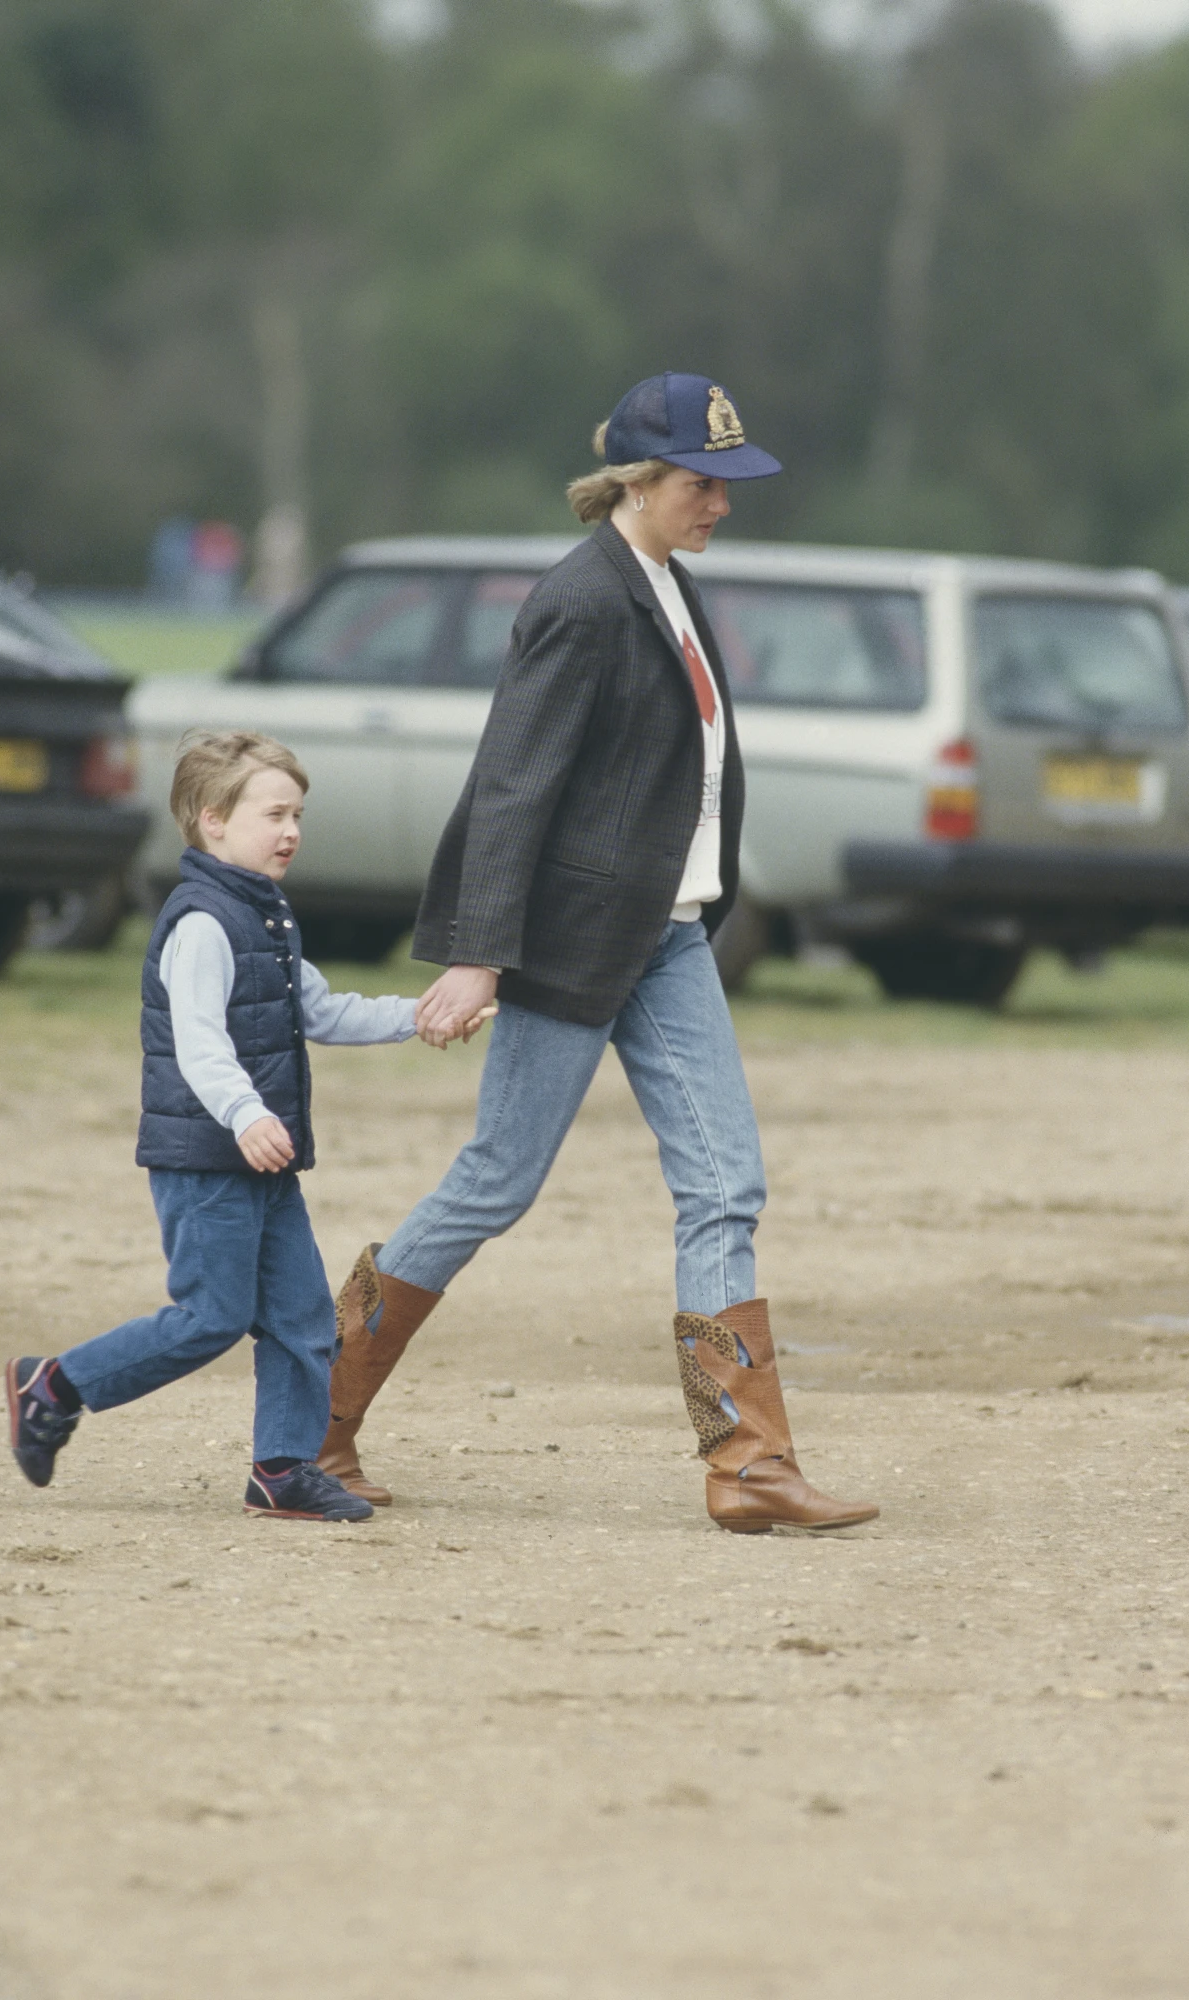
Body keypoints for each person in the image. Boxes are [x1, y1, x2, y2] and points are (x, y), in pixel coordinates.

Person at [319, 373, 879, 1535]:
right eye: (699, 483)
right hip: (574, 946)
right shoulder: (580, 600)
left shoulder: (666, 583)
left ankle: (748, 1461)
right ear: (635, 481)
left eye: (725, 484)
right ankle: (310, 1422)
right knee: (495, 1183)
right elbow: (515, 785)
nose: (719, 503)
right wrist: (478, 953)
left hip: (668, 938)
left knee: (727, 1182)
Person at [4, 730, 493, 1523]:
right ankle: (54, 1384)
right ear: (212, 820)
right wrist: (245, 1114)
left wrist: (423, 1016)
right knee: (209, 1319)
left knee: (302, 1319)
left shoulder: (264, 915)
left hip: (263, 1158)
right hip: (207, 1159)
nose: (292, 831)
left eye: (298, 814)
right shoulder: (202, 923)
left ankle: (282, 1468)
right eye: (274, 814)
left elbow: (323, 1010)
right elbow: (199, 1042)